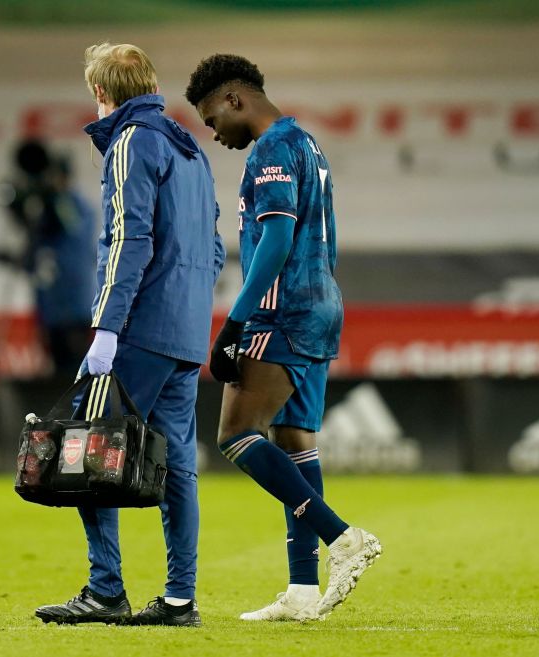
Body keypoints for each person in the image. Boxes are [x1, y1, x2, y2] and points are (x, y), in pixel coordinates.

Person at [185, 54, 382, 622]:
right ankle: (301, 591)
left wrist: (236, 322)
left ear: (234, 99)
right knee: (295, 442)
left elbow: (274, 242)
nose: (214, 133)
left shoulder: (271, 149)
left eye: (211, 118)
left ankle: (342, 539)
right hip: (320, 302)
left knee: (236, 433)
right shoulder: (307, 143)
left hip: (283, 310)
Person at [34, 42, 224, 627]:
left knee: (86, 446)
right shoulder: (190, 150)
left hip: (139, 327)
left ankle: (105, 588)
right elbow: (215, 248)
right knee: (179, 467)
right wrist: (188, 306)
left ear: (100, 91)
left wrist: (107, 329)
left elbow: (127, 241)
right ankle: (179, 599)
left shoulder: (130, 142)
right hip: (188, 332)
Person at [0, 140, 97, 374]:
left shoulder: (78, 206)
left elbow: (72, 234)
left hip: (75, 310)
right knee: (56, 372)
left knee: (76, 373)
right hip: (49, 311)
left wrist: (53, 197)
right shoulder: (44, 217)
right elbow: (36, 258)